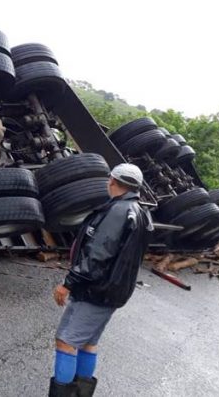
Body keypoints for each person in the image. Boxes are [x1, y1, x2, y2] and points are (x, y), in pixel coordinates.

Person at [49, 163, 152, 397]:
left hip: (95, 289)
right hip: (113, 291)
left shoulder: (118, 211)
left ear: (112, 181)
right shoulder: (140, 212)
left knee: (66, 341)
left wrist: (68, 283)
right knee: (87, 342)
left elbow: (97, 254)